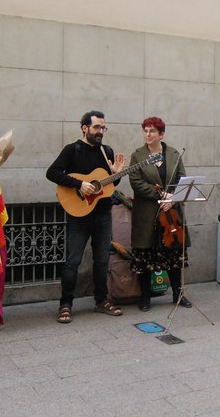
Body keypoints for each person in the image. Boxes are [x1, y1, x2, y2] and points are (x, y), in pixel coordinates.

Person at [46, 110, 126, 323]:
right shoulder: (72, 150)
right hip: (78, 215)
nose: (101, 131)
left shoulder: (106, 151)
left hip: (102, 215)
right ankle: (65, 304)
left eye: (103, 128)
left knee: (101, 260)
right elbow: (52, 172)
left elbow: (107, 187)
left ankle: (101, 301)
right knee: (73, 261)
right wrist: (79, 184)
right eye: (97, 127)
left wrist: (116, 174)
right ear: (85, 128)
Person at [128, 117, 191, 311]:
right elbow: (136, 181)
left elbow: (182, 178)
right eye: (145, 131)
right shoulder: (137, 155)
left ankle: (177, 294)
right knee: (145, 254)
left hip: (171, 212)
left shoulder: (173, 154)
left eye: (152, 131)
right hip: (147, 213)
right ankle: (145, 297)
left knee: (173, 255)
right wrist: (159, 195)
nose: (148, 134)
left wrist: (172, 198)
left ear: (161, 134)